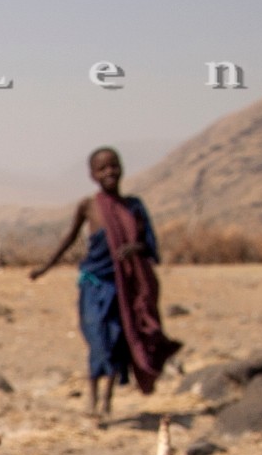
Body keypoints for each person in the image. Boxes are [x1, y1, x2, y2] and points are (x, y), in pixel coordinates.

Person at [28, 147, 181, 421]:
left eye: (114, 166)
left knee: (116, 339)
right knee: (97, 337)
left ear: (121, 168)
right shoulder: (89, 206)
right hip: (93, 283)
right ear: (92, 174)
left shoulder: (134, 206)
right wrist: (45, 267)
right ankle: (92, 396)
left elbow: (150, 245)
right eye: (102, 168)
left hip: (122, 288)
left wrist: (134, 248)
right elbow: (69, 239)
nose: (109, 172)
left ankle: (107, 402)